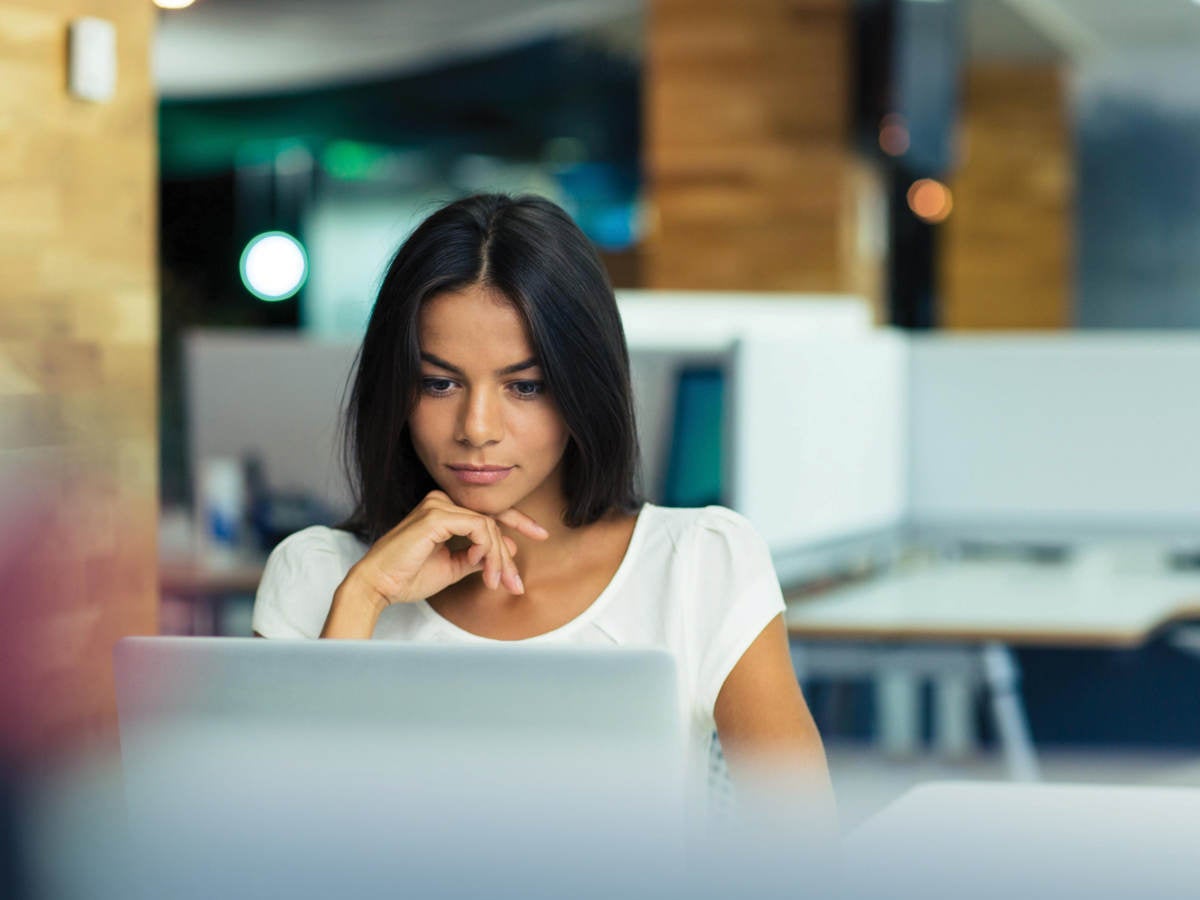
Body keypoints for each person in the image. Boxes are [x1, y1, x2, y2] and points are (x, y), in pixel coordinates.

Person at [252, 193, 833, 817]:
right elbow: (268, 849)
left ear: (582, 387)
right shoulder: (316, 575)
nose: (476, 427)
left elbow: (801, 850)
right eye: (439, 382)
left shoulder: (699, 563)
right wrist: (362, 599)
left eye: (524, 386)